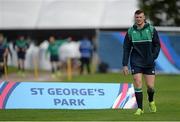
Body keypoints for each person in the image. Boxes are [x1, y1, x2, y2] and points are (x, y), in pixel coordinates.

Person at [122, 10, 160, 115]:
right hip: (136, 61)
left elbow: (157, 45)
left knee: (150, 87)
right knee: (137, 82)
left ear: (144, 18)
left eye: (140, 17)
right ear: (135, 18)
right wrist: (125, 64)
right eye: (137, 17)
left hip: (149, 62)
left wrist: (153, 56)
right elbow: (126, 48)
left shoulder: (151, 30)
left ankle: (151, 101)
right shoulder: (130, 32)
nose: (138, 19)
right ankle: (140, 109)